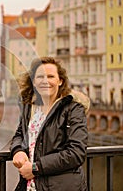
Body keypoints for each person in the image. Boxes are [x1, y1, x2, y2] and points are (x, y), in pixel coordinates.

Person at [10, 57, 89, 191]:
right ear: (34, 82)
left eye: (51, 76)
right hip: (32, 186)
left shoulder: (73, 109)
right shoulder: (31, 108)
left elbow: (76, 152)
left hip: (61, 186)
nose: (45, 81)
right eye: (40, 77)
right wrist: (17, 151)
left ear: (60, 81)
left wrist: (36, 168)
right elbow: (19, 135)